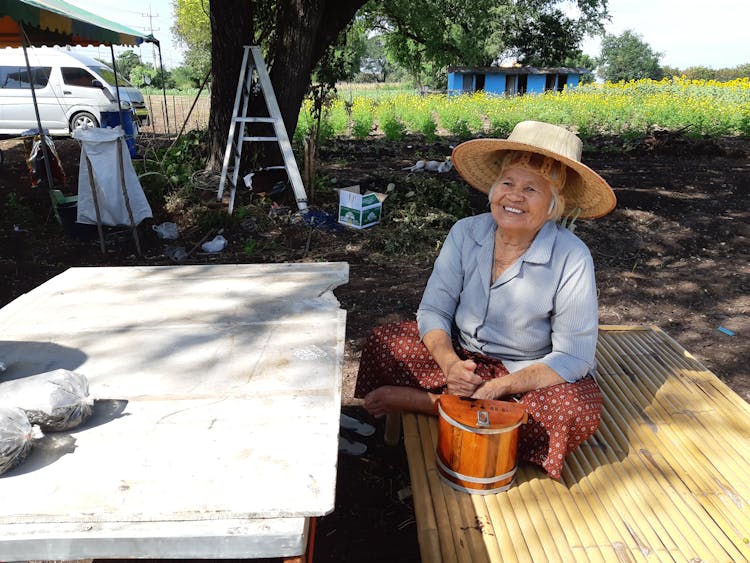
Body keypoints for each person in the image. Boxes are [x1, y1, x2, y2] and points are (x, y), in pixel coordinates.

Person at [354, 120, 617, 478]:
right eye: (507, 183)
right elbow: (434, 309)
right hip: (463, 359)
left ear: (554, 205)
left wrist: (500, 387)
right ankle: (469, 404)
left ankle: (435, 404)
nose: (514, 196)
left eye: (531, 189)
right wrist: (449, 363)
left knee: (571, 411)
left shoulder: (571, 256)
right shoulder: (466, 232)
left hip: (523, 373)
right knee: (385, 342)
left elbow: (573, 355)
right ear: (493, 189)